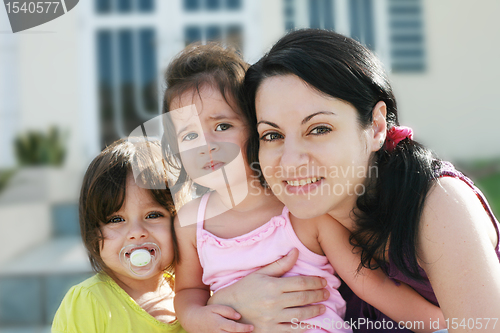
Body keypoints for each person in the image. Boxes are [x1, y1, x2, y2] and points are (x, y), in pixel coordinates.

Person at [212, 28, 499, 332]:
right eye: (272, 135)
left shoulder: (439, 204)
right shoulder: (295, 222)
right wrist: (226, 305)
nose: (290, 160)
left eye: (319, 129)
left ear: (376, 126)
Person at [162, 43, 445, 333]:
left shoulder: (302, 211)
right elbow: (188, 291)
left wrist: (448, 324)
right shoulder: (191, 223)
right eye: (189, 135)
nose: (205, 146)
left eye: (222, 126)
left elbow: (374, 286)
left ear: (257, 130)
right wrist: (195, 317)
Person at [52, 139, 187, 333]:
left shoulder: (193, 294)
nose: (136, 232)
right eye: (116, 219)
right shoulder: (89, 302)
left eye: (153, 215)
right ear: (93, 231)